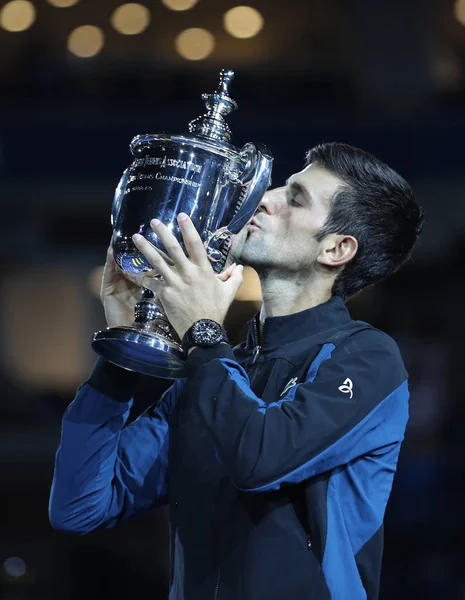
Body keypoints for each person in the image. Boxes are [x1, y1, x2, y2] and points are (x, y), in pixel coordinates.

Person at [49, 142, 424, 600]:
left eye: (296, 198)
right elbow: (80, 506)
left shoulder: (367, 358)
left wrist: (204, 334)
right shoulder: (217, 370)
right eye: (282, 187)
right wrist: (124, 351)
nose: (266, 197)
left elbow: (261, 458)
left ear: (336, 248)